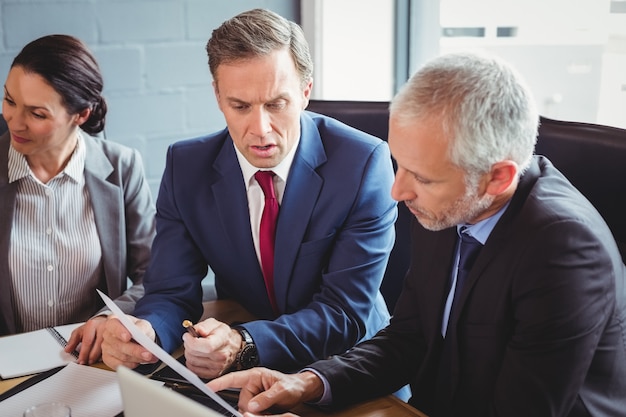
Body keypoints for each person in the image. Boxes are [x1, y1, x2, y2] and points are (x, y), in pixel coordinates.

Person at [207, 52, 626, 417]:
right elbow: (411, 336)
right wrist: (310, 383)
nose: (397, 191)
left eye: (421, 177)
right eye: (399, 164)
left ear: (497, 178)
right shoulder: (450, 201)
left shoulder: (564, 250)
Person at [100, 8, 396, 379]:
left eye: (276, 104)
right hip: (238, 373)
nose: (260, 128)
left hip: (346, 369)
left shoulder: (362, 164)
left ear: (306, 92)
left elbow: (343, 312)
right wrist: (148, 329)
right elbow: (171, 290)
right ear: (218, 96)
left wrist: (244, 343)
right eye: (240, 106)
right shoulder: (186, 167)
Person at [0, 34, 156, 365]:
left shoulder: (122, 167)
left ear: (80, 115)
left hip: (93, 363)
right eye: (9, 100)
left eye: (37, 113)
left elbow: (154, 275)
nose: (13, 121)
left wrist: (108, 318)